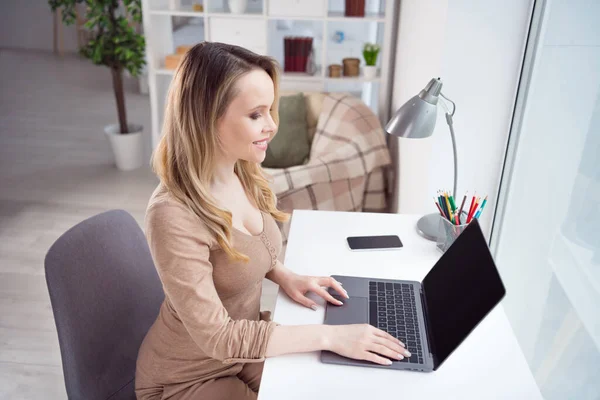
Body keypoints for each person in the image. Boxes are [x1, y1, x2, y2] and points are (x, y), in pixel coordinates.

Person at [135, 41, 410, 400]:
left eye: (270, 111)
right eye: (256, 115)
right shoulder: (172, 214)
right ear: (206, 117)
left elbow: (243, 252)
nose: (272, 126)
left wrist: (284, 274)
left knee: (333, 386)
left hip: (242, 349)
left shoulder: (244, 169)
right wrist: (331, 335)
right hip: (187, 376)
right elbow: (218, 337)